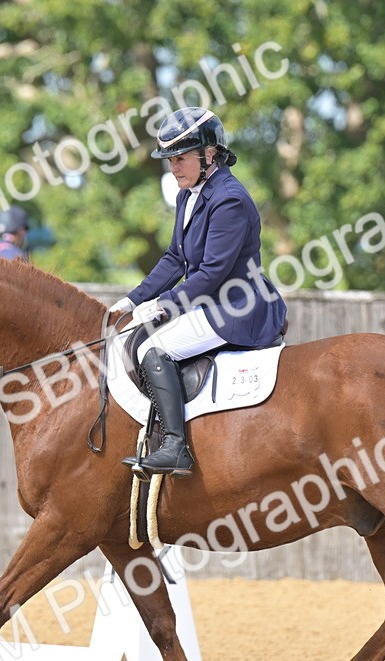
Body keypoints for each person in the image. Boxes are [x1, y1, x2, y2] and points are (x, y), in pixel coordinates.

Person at [109, 107, 287, 478]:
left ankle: (176, 447)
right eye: (169, 160)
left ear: (209, 155)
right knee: (132, 337)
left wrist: (164, 305)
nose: (173, 168)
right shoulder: (187, 196)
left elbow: (211, 274)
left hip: (238, 305)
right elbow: (175, 258)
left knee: (152, 350)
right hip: (210, 301)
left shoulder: (229, 200)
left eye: (180, 158)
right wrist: (134, 299)